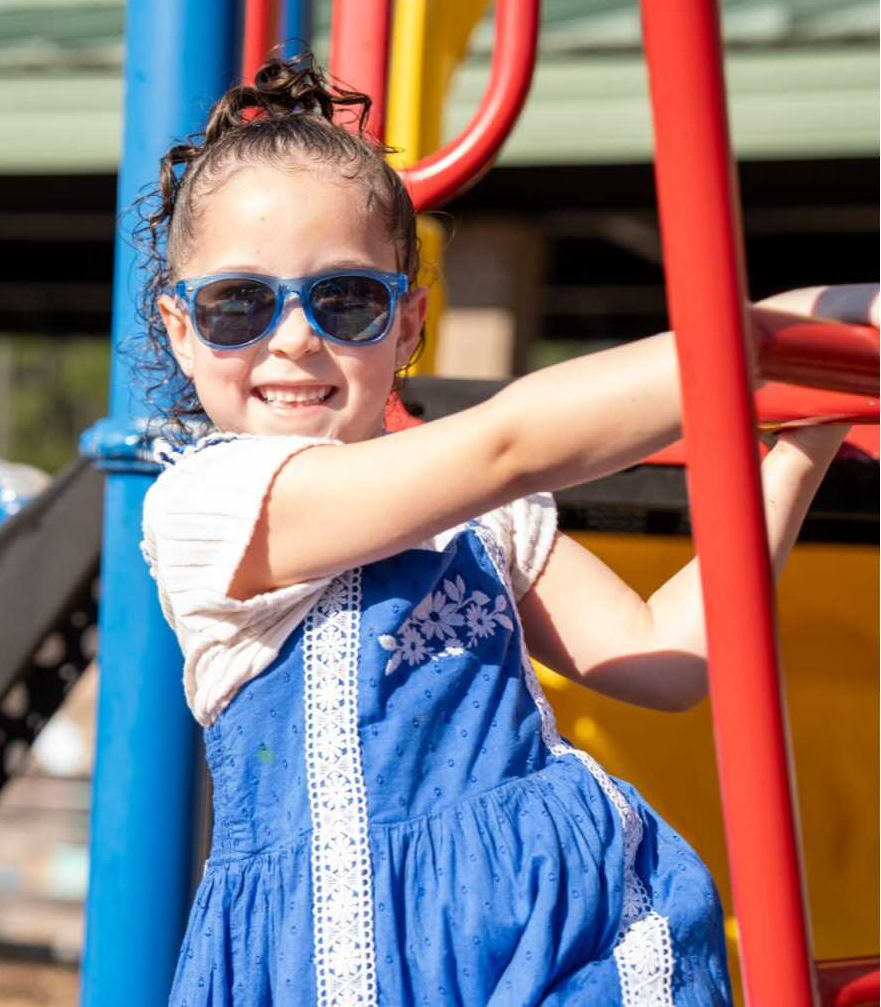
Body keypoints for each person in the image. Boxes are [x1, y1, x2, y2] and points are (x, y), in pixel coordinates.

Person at [138, 54, 877, 1007]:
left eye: (345, 301)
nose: (292, 338)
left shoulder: (481, 520)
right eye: (238, 304)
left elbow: (662, 660)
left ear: (408, 326)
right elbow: (508, 443)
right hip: (339, 946)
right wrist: (766, 333)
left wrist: (800, 438)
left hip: (553, 924)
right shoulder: (212, 508)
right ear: (180, 328)